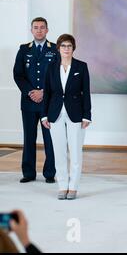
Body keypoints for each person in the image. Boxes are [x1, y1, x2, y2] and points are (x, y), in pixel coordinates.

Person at [41, 34, 91, 200]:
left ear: (73, 48)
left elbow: (86, 93)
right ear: (58, 48)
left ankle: (73, 187)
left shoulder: (81, 67)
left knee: (76, 151)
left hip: (76, 113)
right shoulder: (51, 67)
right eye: (63, 46)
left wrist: (87, 116)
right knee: (59, 151)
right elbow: (46, 92)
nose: (66, 49)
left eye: (69, 46)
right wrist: (44, 115)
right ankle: (62, 185)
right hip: (54, 113)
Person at [13, 17, 57, 184]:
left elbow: (57, 75)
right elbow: (18, 75)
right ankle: (29, 173)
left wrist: (44, 92)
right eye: (36, 27)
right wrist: (31, 91)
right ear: (31, 30)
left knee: (50, 139)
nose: (39, 30)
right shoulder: (24, 50)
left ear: (47, 30)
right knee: (29, 138)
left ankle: (50, 173)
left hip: (49, 102)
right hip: (29, 101)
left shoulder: (55, 49)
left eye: (42, 27)